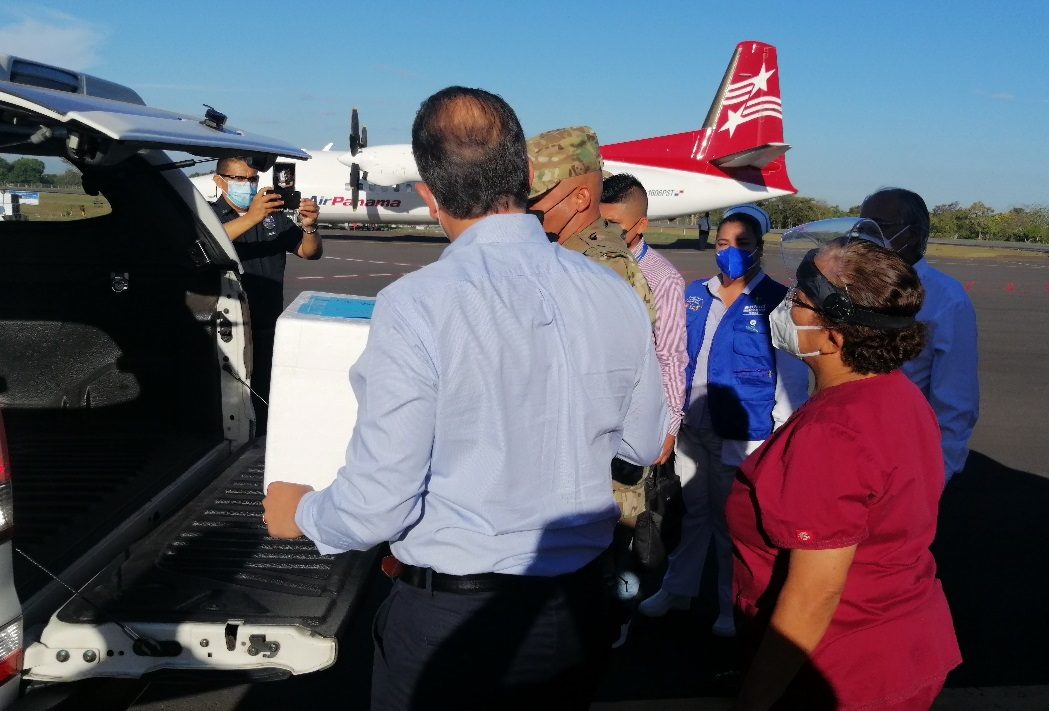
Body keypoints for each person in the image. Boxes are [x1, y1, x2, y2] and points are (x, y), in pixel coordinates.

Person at [263, 87, 668, 710]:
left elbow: (379, 506)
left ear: (429, 195)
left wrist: (302, 514)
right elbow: (640, 443)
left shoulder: (418, 304)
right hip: (579, 609)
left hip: (459, 624)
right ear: (526, 175)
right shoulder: (614, 291)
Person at [727, 235, 962, 710]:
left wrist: (755, 700)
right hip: (905, 645)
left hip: (840, 670)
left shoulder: (832, 432)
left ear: (834, 335)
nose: (786, 307)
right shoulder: (898, 395)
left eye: (799, 299)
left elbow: (814, 594)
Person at [638, 205, 808, 639]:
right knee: (692, 512)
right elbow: (674, 357)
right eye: (723, 243)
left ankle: (732, 606)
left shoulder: (777, 301)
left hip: (744, 430)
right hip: (693, 426)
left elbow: (790, 377)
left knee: (731, 522)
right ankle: (678, 589)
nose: (730, 252)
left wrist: (777, 435)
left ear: (759, 248)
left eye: (742, 244)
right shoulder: (695, 294)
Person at [860, 188, 979, 481]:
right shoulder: (851, 285)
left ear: (911, 235)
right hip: (847, 443)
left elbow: (956, 401)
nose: (865, 235)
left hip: (900, 457)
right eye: (862, 225)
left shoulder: (946, 299)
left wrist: (938, 475)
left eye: (878, 226)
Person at [209, 157, 322, 434]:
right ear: (219, 181)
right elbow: (206, 243)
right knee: (225, 398)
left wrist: (310, 227)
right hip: (227, 327)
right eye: (238, 179)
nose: (246, 185)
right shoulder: (209, 215)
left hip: (267, 321)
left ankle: (260, 446)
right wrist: (251, 218)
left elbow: (310, 252)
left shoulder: (274, 217)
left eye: (252, 179)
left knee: (265, 396)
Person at [526, 126, 658, 326]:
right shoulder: (561, 246)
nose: (526, 208)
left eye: (534, 199)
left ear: (580, 198)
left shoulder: (602, 264)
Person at [600, 173, 687, 465]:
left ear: (641, 225)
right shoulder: (586, 261)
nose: (607, 235)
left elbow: (671, 356)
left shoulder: (662, 279)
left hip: (632, 418)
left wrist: (671, 424)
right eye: (601, 225)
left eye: (617, 228)